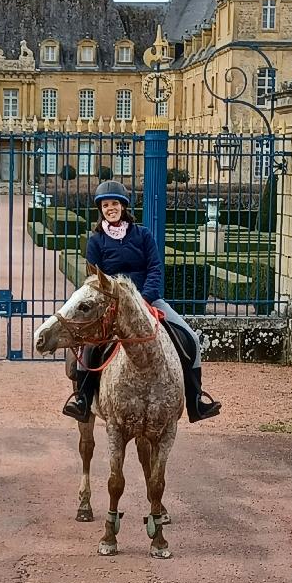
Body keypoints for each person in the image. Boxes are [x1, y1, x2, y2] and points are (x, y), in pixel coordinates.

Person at [62, 180, 222, 424]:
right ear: (101, 209)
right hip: (111, 307)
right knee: (89, 347)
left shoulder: (143, 235)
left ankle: (196, 401)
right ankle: (83, 401)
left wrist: (143, 298)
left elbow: (155, 268)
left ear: (124, 206)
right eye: (105, 205)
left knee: (190, 338)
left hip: (149, 299)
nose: (110, 208)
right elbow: (94, 279)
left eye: (114, 203)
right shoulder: (96, 241)